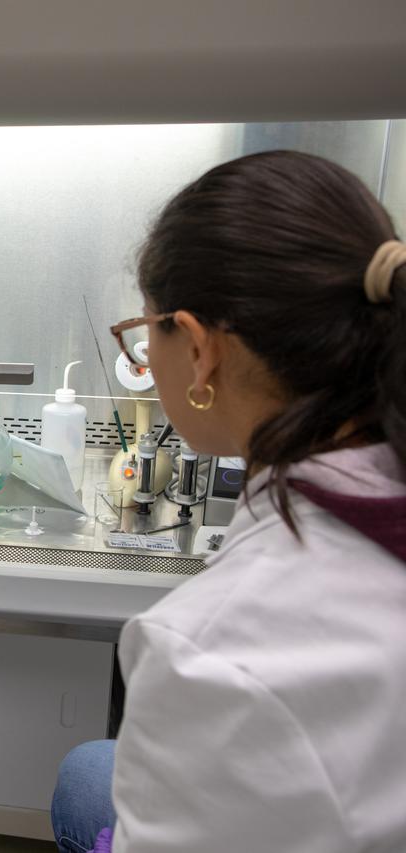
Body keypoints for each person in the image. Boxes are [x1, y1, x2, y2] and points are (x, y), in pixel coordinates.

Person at [50, 149, 406, 852]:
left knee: (86, 775)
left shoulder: (209, 654)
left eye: (146, 331)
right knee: (94, 770)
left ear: (200, 349)